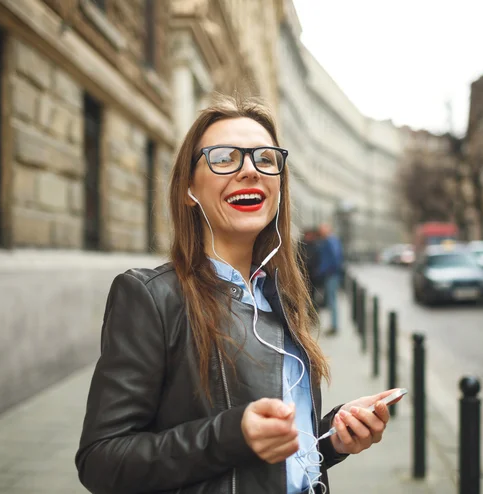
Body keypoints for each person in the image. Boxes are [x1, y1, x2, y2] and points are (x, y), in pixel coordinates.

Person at [75, 95, 398, 494]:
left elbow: (276, 453)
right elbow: (101, 460)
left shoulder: (281, 296)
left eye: (265, 159)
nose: (250, 170)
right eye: (224, 158)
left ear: (279, 186)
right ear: (189, 188)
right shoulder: (150, 297)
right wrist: (231, 436)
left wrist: (332, 437)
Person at [314, 224, 343, 336]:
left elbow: (334, 259)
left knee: (332, 301)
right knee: (331, 301)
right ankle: (333, 325)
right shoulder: (328, 241)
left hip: (331, 275)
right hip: (330, 274)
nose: (321, 232)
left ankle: (334, 326)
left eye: (323, 230)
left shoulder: (330, 241)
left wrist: (322, 271)